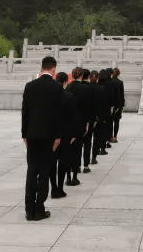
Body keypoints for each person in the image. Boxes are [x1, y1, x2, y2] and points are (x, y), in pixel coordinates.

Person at [21, 56, 64, 221]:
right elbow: (59, 115)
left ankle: (28, 209)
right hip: (48, 137)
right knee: (44, 171)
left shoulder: (29, 86)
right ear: (53, 70)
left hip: (32, 135)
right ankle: (39, 208)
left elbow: (25, 112)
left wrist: (24, 134)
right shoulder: (57, 87)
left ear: (41, 68)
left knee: (32, 171)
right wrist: (58, 137)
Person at [49, 71, 76, 200]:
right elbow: (73, 118)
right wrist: (74, 134)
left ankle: (53, 188)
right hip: (65, 134)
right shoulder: (69, 97)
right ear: (66, 82)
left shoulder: (49, 96)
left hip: (51, 134)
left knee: (52, 162)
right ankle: (60, 188)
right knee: (63, 162)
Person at [65, 67, 91, 187]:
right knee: (77, 149)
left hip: (68, 121)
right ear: (81, 76)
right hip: (80, 122)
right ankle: (75, 176)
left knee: (68, 150)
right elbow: (87, 108)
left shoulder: (68, 87)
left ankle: (68, 176)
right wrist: (87, 122)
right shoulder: (85, 89)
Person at [111, 68, 126, 141]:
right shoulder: (120, 82)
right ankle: (115, 137)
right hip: (118, 105)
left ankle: (110, 136)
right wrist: (121, 105)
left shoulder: (109, 82)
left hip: (110, 104)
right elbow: (122, 95)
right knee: (116, 122)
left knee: (110, 122)